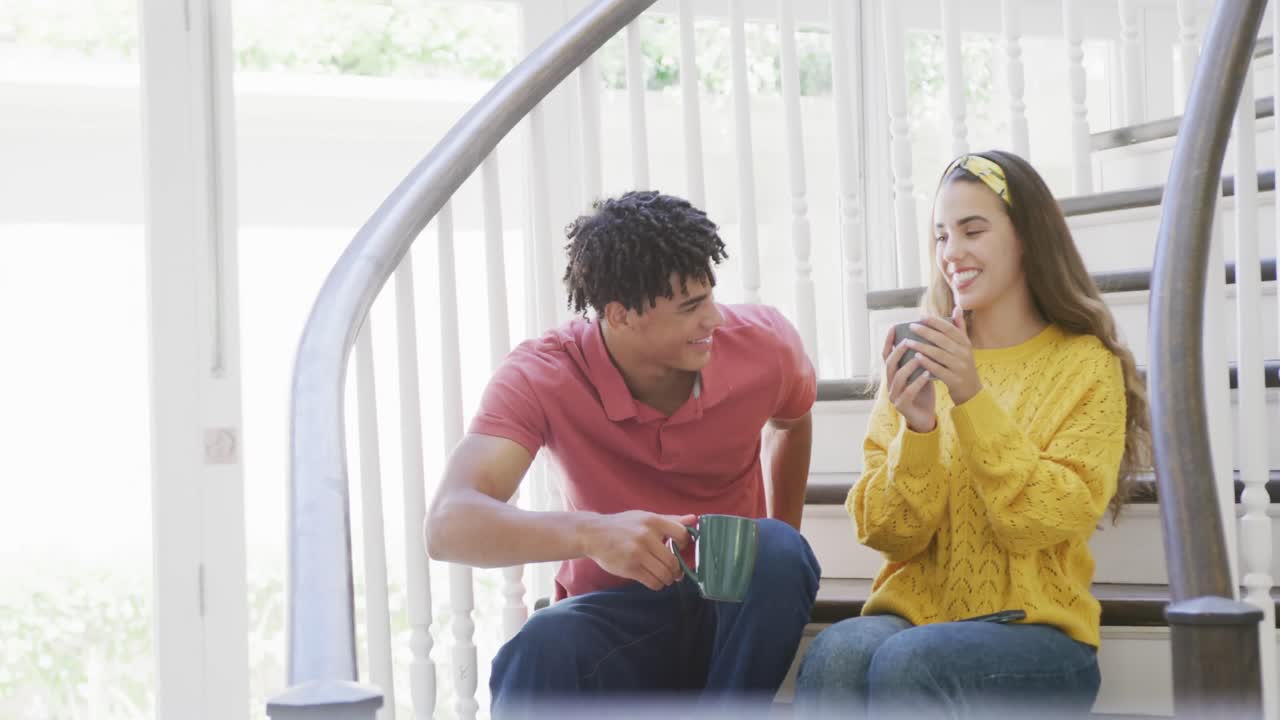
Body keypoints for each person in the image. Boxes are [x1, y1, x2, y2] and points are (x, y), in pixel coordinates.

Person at [425, 190, 821, 716]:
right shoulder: (542, 374)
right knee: (542, 642)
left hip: (728, 607)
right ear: (620, 315)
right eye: (690, 308)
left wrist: (779, 547)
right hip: (616, 618)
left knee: (779, 550)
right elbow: (449, 522)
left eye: (710, 297)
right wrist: (592, 532)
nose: (715, 320)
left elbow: (792, 422)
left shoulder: (764, 344)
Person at [794, 150, 1152, 718]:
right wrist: (917, 430)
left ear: (1027, 237)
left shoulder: (1085, 365)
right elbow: (889, 535)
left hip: (1039, 635)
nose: (951, 253)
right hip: (919, 616)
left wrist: (970, 398)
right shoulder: (920, 358)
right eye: (940, 236)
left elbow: (1039, 519)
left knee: (912, 662)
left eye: (972, 230)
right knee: (839, 652)